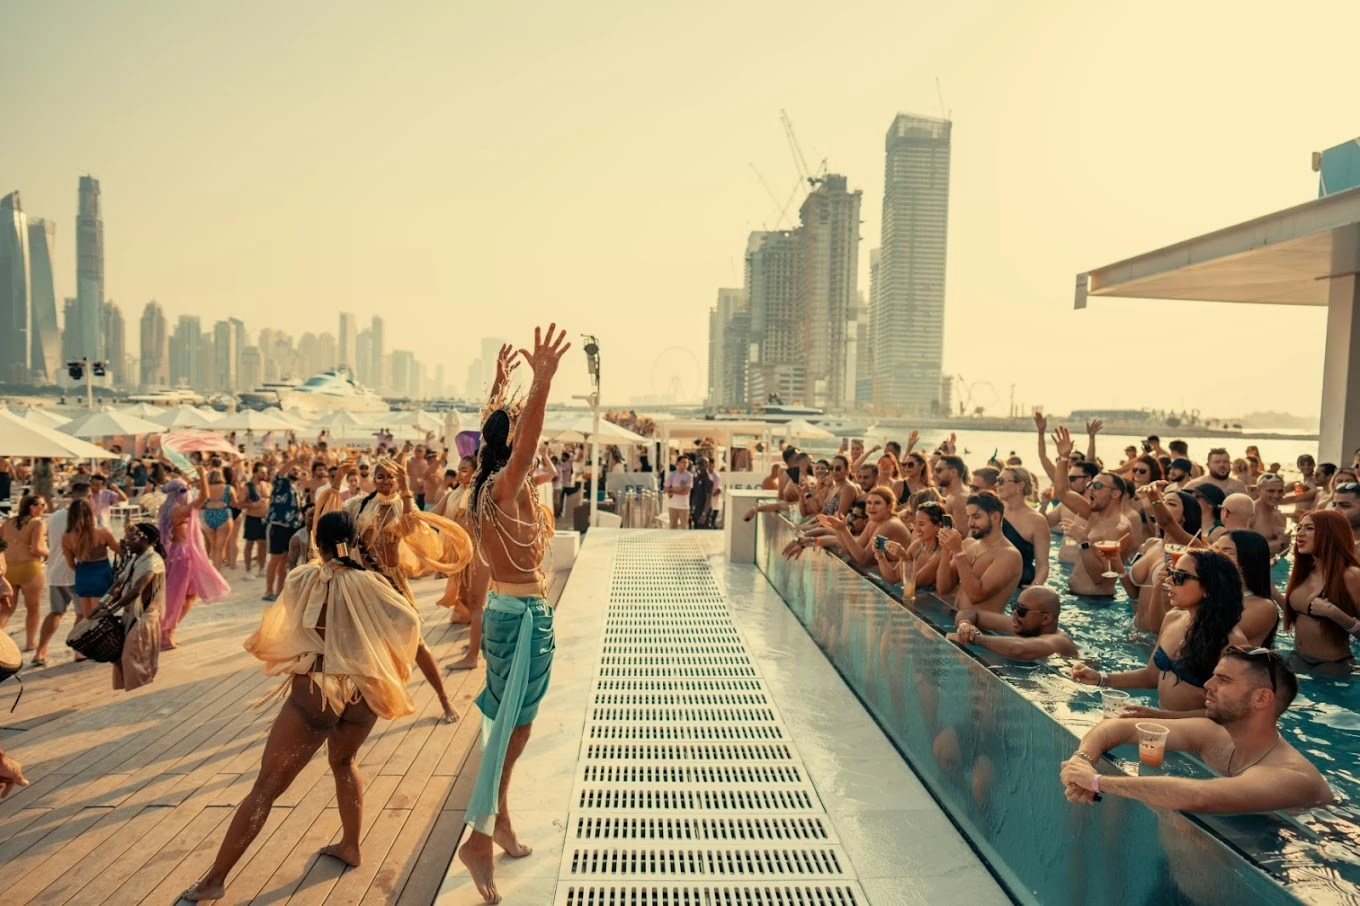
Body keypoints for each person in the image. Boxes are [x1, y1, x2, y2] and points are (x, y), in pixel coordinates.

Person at [183, 511, 424, 901]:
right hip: (363, 689)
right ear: (354, 539)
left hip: (318, 686)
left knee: (266, 787)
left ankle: (214, 881)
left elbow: (284, 628)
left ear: (319, 542)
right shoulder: (374, 584)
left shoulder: (304, 579)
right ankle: (351, 845)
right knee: (344, 763)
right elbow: (409, 621)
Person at [458, 325, 567, 904]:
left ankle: (498, 817)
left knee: (515, 725)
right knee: (509, 728)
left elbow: (501, 430)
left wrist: (501, 386)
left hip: (513, 607)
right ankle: (479, 835)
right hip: (520, 615)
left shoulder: (482, 486)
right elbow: (524, 445)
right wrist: (542, 384)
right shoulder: (503, 485)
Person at [1060, 648, 1334, 813]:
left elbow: (1198, 796)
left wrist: (1096, 782)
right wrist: (1081, 760)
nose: (1207, 685)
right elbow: (1118, 727)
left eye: (1223, 680)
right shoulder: (1213, 734)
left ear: (1261, 698)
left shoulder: (1292, 776)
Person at [344, 455, 471, 721]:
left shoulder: (402, 508)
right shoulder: (359, 505)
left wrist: (405, 488)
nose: (385, 481)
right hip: (366, 581)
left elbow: (414, 524)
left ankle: (444, 699)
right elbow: (337, 522)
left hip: (393, 580)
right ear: (374, 479)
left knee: (418, 643)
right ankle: (362, 703)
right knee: (363, 643)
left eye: (390, 476)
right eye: (380, 476)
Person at [1072, 550, 1248, 713]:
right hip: (1164, 721)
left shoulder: (1231, 641)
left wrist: (1160, 717)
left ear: (1209, 587)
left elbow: (1229, 713)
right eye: (1171, 573)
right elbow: (1150, 676)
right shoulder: (1173, 618)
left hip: (1198, 737)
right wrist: (1100, 678)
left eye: (1180, 577)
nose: (1169, 580)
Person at [1051, 427, 1132, 597]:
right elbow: (1062, 492)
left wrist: (1083, 540)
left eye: (1097, 486)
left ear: (1115, 493)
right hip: (1076, 599)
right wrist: (1064, 458)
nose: (1091, 489)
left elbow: (1100, 577)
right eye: (1090, 485)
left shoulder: (1119, 528)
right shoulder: (1094, 514)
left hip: (1096, 605)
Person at [87, 522, 166, 691]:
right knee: (122, 658)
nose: (126, 542)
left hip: (144, 617)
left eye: (131, 539)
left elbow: (136, 590)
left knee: (131, 658)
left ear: (146, 540)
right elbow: (118, 584)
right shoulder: (135, 560)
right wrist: (102, 604)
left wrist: (109, 610)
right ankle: (130, 693)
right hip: (130, 615)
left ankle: (140, 695)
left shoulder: (153, 561)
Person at [158, 474, 231, 649]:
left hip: (182, 553)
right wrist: (203, 475)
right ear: (179, 493)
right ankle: (165, 633)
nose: (187, 494)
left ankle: (169, 630)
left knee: (191, 594)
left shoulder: (168, 508)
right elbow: (204, 497)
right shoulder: (178, 511)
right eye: (185, 491)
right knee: (176, 596)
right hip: (181, 555)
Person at [1283, 510, 1360, 674]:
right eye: (1299, 528)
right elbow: (1298, 614)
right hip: (1296, 659)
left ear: (1331, 533)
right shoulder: (1305, 572)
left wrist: (1335, 614)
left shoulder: (1351, 575)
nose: (1300, 534)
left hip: (1331, 667)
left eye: (1309, 528)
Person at [935, 492, 1023, 614]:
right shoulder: (968, 544)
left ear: (995, 517)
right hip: (955, 621)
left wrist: (958, 552)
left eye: (976, 517)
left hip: (981, 629)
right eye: (969, 517)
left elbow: (976, 596)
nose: (970, 523)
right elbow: (943, 588)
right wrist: (946, 550)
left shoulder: (1009, 555)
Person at [32, 483, 89, 666]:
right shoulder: (82, 517)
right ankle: (78, 651)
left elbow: (49, 540)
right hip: (75, 572)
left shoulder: (55, 515)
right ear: (86, 497)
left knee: (56, 612)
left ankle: (40, 652)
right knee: (82, 614)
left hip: (55, 571)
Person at [949, 586, 1079, 661]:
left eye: (1022, 610)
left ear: (1046, 619)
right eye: (1015, 606)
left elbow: (1019, 649)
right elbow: (972, 613)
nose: (1015, 613)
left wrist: (974, 638)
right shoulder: (1023, 625)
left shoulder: (1058, 641)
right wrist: (965, 625)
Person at [1212, 530, 1281, 648]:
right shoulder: (1215, 592)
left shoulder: (1264, 607)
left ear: (1249, 560)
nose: (1216, 556)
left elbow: (1212, 638)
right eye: (1216, 550)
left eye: (1227, 552)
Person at [0, 495, 48, 652]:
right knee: (33, 608)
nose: (44, 507)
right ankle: (29, 642)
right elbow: (36, 549)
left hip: (9, 568)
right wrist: (49, 552)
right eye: (41, 504)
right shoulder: (37, 523)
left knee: (7, 609)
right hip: (29, 567)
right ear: (32, 507)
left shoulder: (7, 523)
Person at [62, 498, 121, 623]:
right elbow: (120, 550)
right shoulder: (102, 533)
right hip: (101, 574)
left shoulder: (66, 537)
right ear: (91, 513)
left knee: (88, 618)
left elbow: (71, 564)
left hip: (82, 574)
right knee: (100, 617)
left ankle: (91, 641)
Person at [996, 466, 1049, 587]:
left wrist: (1033, 588)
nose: (997, 485)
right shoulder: (994, 512)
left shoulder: (1037, 521)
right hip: (991, 583)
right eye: (998, 479)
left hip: (1020, 585)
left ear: (1020, 485)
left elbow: (1043, 566)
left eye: (1002, 481)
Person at [264, 462, 305, 601]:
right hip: (279, 526)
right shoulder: (281, 483)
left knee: (285, 561)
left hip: (292, 528)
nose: (296, 471)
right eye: (293, 469)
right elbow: (281, 471)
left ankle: (279, 592)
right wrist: (295, 459)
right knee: (274, 559)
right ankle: (268, 591)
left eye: (298, 469)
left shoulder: (297, 488)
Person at [241, 462, 271, 578]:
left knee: (263, 544)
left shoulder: (267, 485)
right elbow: (240, 504)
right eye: (262, 472)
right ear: (255, 473)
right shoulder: (247, 487)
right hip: (252, 518)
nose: (264, 474)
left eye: (265, 472)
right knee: (249, 544)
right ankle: (248, 570)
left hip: (264, 519)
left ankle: (262, 568)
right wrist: (253, 505)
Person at [1249, 473, 1290, 555]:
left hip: (1274, 565)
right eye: (1271, 491)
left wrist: (1285, 542)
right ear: (1259, 490)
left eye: (1280, 491)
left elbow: (1283, 552)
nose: (1276, 495)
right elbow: (1242, 547)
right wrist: (1276, 543)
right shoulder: (1250, 512)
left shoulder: (1281, 516)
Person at [664, 455, 694, 529]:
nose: (685, 464)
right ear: (678, 463)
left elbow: (686, 492)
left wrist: (672, 491)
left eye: (687, 463)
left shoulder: (689, 476)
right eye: (683, 462)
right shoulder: (672, 474)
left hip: (684, 506)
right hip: (673, 505)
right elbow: (665, 489)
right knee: (672, 527)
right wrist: (676, 489)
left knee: (684, 527)